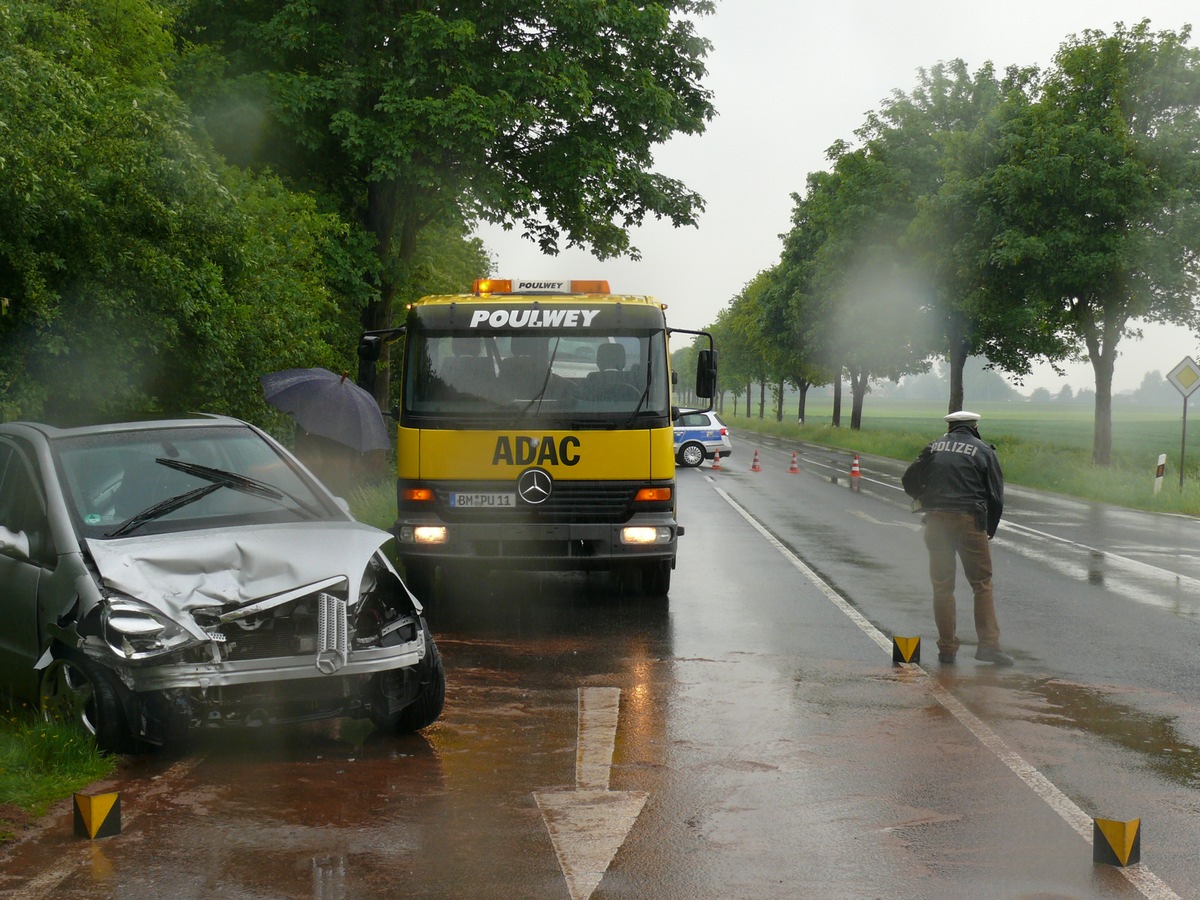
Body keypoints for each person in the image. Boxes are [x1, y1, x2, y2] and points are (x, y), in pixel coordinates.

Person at [902, 410, 1014, 666]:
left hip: (936, 520)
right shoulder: (983, 450)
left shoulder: (933, 449)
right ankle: (988, 645)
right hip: (969, 521)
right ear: (974, 427)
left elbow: (909, 480)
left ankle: (947, 649)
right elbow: (995, 494)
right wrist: (990, 528)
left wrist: (923, 501)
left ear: (950, 427)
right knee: (981, 584)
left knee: (942, 586)